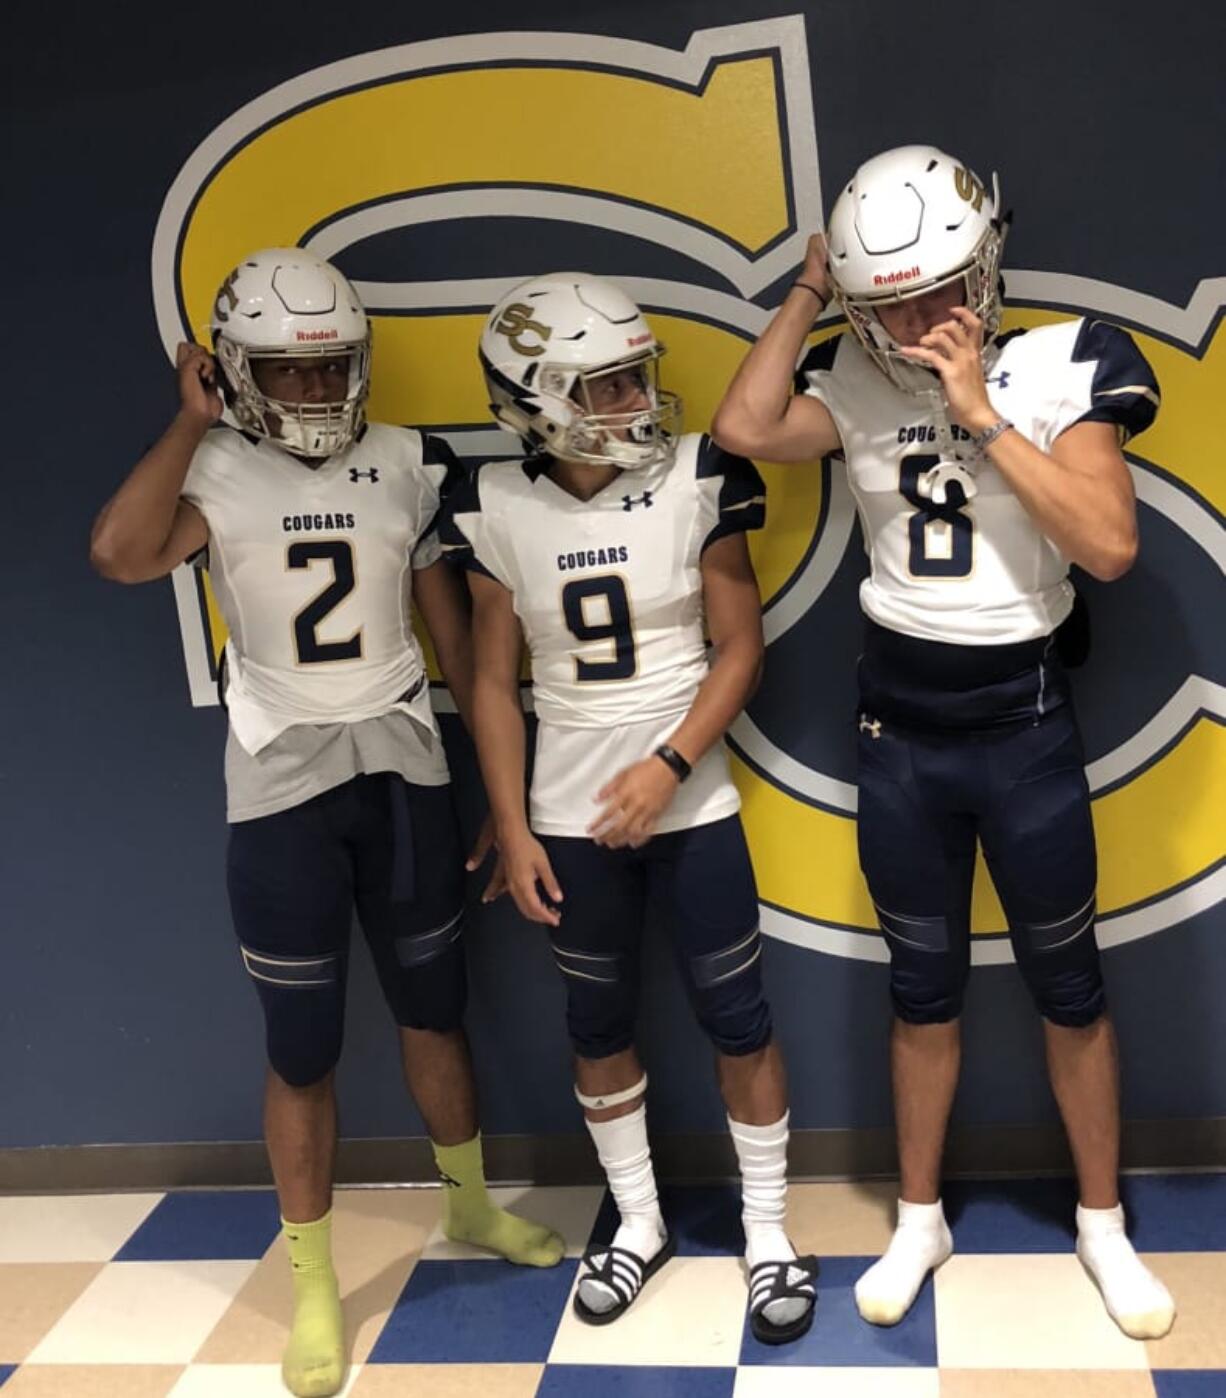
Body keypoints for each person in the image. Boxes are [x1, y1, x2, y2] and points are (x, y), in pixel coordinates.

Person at [711, 146, 1175, 1339]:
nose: (917, 322)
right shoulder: (855, 381)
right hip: (899, 739)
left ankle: (1099, 1221)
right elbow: (744, 423)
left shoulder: (1058, 361)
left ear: (985, 269)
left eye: (935, 293)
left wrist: (980, 419)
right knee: (920, 996)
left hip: (1020, 729)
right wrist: (812, 292)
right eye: (888, 304)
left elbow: (1110, 545)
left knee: (1068, 990)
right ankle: (916, 1217)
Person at [90, 248, 563, 1398]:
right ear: (237, 376)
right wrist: (186, 421)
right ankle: (311, 1280)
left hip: (402, 765)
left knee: (433, 1009)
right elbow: (118, 552)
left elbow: (453, 639)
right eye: (284, 376)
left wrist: (497, 801)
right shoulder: (210, 469)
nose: (312, 395)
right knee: (299, 1048)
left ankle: (466, 1206)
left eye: (330, 370)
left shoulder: (406, 460)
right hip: (280, 785)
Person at [439, 272, 818, 1344]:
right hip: (567, 815)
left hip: (690, 802)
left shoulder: (699, 475)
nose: (630, 403)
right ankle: (641, 1220)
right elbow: (490, 680)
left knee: (737, 1019)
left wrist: (668, 761)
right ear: (536, 397)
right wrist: (511, 825)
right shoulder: (495, 505)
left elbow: (738, 646)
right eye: (601, 387)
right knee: (595, 1023)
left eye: (629, 380)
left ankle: (767, 1229)